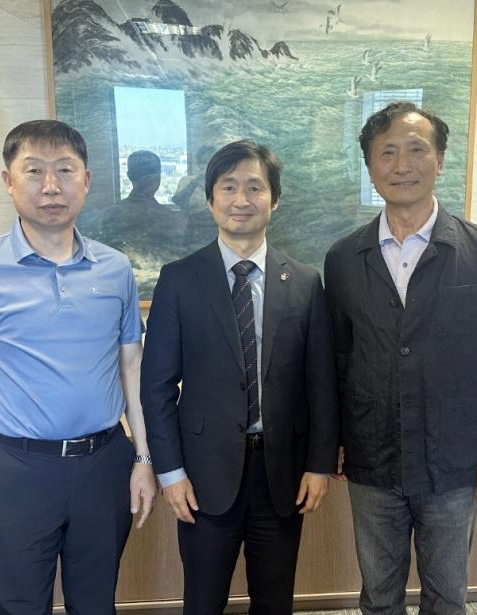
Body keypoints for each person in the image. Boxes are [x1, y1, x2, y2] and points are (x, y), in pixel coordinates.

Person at [0, 119, 157, 615]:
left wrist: (143, 459)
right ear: (8, 181)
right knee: (20, 604)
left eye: (65, 170)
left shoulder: (115, 269)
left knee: (96, 602)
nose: (51, 186)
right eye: (34, 171)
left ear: (86, 181)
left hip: (104, 463)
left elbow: (131, 368)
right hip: (16, 469)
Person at [324, 102, 477, 615]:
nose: (402, 165)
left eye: (416, 150)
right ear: (370, 167)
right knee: (378, 597)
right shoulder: (343, 259)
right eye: (387, 152)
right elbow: (337, 361)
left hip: (452, 461)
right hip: (372, 458)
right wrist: (334, 442)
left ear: (439, 160)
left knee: (447, 597)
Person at [141, 140, 339, 615]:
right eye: (228, 187)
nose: (241, 199)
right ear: (211, 199)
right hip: (202, 475)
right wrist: (170, 473)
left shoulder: (305, 282)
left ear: (275, 199)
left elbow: (322, 383)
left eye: (255, 187)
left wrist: (319, 465)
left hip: (282, 474)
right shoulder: (179, 279)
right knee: (203, 602)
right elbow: (156, 386)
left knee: (275, 602)